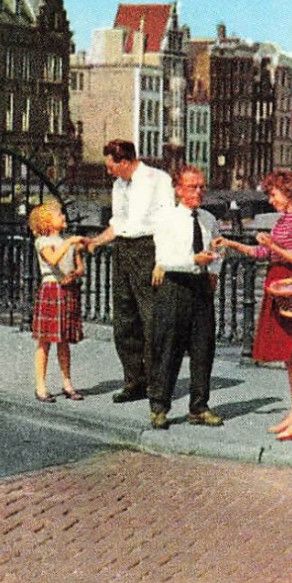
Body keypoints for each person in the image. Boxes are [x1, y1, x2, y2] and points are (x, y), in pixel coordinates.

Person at [214, 168, 292, 441]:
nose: (270, 200)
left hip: (290, 287)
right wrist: (230, 243)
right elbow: (262, 253)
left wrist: (274, 244)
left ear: (288, 192)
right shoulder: (284, 220)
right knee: (289, 354)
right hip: (277, 284)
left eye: (273, 194)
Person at [83, 139, 173, 402]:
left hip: (148, 249)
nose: (108, 171)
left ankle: (158, 384)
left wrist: (162, 261)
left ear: (124, 161)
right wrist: (95, 241)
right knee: (124, 319)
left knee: (152, 319)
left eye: (111, 166)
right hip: (123, 250)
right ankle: (134, 381)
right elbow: (118, 224)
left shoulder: (158, 180)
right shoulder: (118, 185)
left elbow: (167, 222)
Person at [147, 165, 224, 430]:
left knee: (203, 348)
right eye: (193, 187)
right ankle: (159, 407)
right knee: (169, 348)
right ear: (179, 190)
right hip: (175, 286)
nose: (199, 192)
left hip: (201, 287)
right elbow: (165, 258)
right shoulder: (166, 218)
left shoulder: (208, 219)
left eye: (202, 186)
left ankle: (199, 407)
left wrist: (213, 269)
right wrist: (193, 260)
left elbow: (218, 246)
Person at [28, 200, 87, 403]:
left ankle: (67, 382)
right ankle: (41, 385)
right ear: (48, 221)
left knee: (64, 340)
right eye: (59, 214)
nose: (63, 217)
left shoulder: (66, 241)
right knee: (44, 341)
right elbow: (52, 260)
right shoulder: (43, 242)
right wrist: (69, 243)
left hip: (67, 289)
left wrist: (75, 273)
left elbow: (80, 267)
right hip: (51, 288)